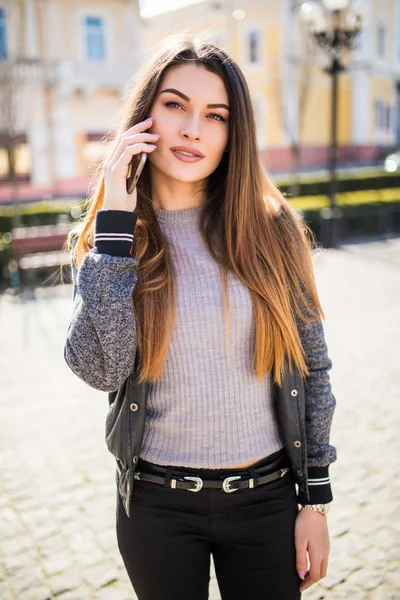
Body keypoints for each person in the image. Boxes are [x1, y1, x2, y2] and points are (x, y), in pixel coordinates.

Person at [64, 32, 337, 600]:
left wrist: (314, 500)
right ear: (145, 118)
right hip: (156, 507)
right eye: (174, 105)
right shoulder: (117, 236)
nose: (193, 129)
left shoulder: (272, 231)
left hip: (266, 500)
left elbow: (313, 371)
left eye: (215, 115)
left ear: (234, 134)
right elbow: (100, 370)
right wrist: (114, 237)